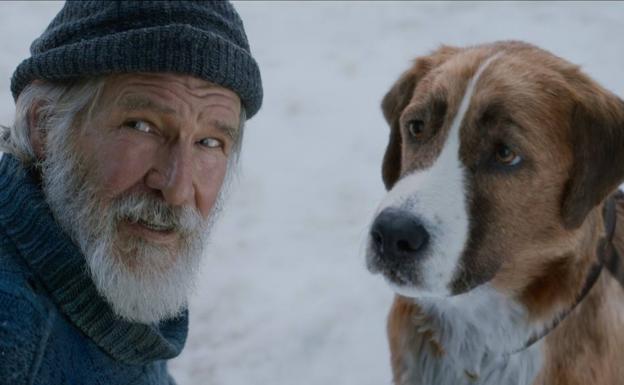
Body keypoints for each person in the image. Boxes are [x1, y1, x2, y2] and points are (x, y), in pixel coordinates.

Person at [0, 1, 262, 384]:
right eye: (142, 126)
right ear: (45, 126)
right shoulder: (14, 331)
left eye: (208, 142)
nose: (175, 188)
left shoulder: (106, 268)